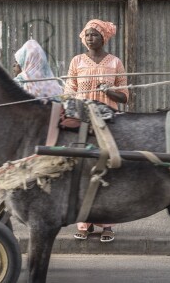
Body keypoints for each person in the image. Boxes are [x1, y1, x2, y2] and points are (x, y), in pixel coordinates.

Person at [64, 19, 128, 243]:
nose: (90, 38)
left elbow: (125, 96)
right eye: (87, 35)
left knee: (107, 172)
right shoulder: (77, 61)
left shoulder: (115, 63)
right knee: (83, 171)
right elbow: (69, 91)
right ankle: (84, 223)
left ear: (104, 38)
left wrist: (110, 92)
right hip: (82, 122)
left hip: (108, 122)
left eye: (94, 35)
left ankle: (107, 224)